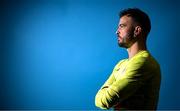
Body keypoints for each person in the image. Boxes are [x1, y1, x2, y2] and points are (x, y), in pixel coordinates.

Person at [95, 8, 161, 110]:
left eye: (122, 26)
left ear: (137, 31)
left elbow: (106, 100)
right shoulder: (120, 64)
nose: (117, 32)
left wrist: (108, 92)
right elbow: (98, 100)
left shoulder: (144, 62)